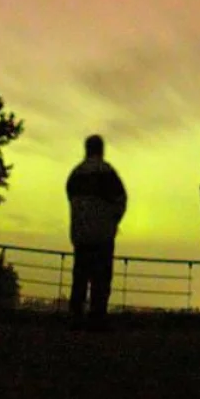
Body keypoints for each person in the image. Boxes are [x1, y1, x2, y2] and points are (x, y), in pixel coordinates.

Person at [66, 134, 127, 330]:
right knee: (101, 278)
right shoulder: (108, 172)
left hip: (80, 233)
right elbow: (121, 200)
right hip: (102, 234)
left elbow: (71, 199)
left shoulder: (75, 174)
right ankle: (97, 316)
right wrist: (113, 220)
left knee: (80, 276)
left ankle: (76, 315)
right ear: (101, 150)